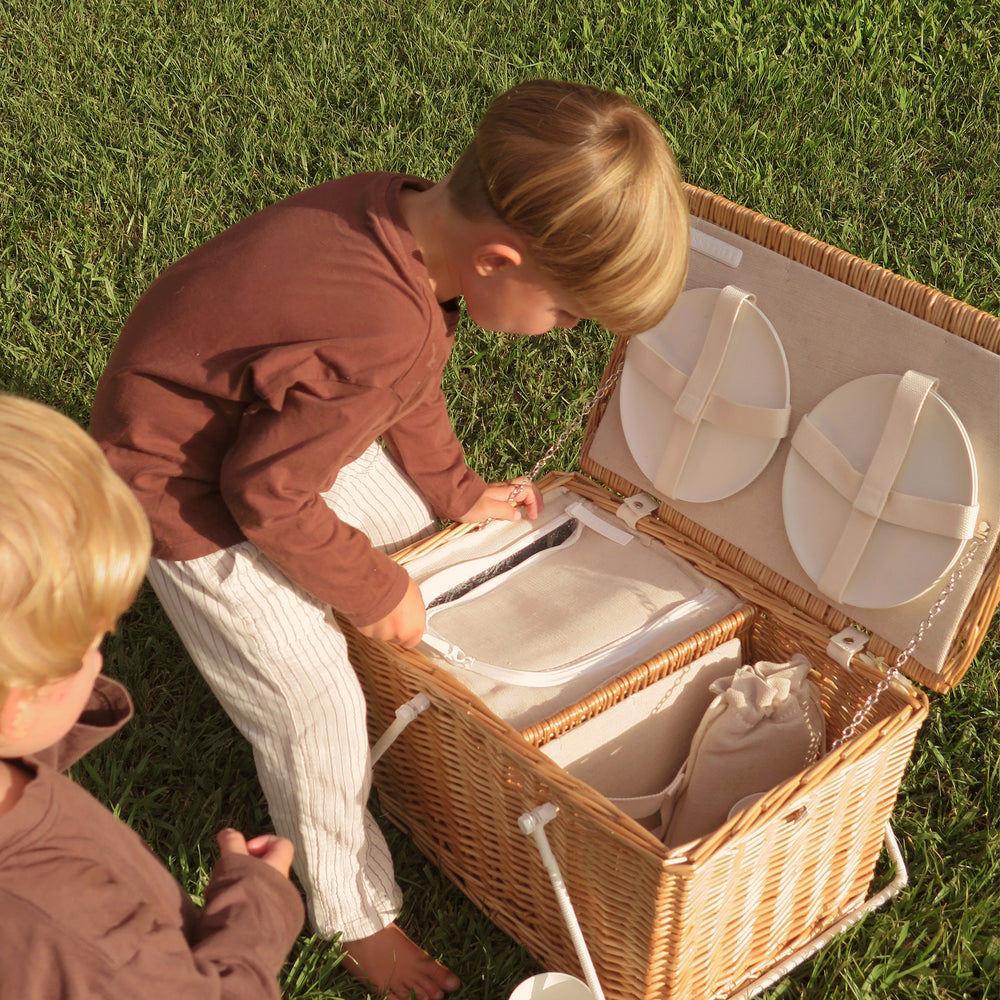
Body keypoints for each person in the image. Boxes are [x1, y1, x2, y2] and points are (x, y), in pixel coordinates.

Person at [90, 78, 689, 1000]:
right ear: (498, 258)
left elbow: (409, 380)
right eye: (567, 314)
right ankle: (357, 913)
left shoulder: (394, 213)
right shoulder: (386, 323)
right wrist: (372, 594)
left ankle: (403, 725)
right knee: (313, 698)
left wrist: (456, 494)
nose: (560, 333)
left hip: (233, 435)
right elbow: (264, 493)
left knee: (418, 541)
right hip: (178, 490)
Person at [0, 394, 305, 999]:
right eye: (92, 643)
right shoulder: (78, 929)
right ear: (19, 703)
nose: (101, 660)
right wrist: (257, 906)